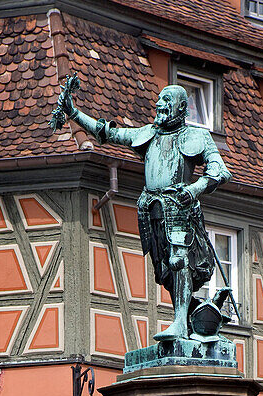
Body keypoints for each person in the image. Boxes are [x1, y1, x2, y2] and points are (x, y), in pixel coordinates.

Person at [64, 82, 231, 340]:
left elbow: (220, 171)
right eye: (159, 102)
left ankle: (179, 321)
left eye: (166, 101)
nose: (159, 105)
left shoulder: (197, 137)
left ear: (181, 107)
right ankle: (188, 317)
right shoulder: (148, 134)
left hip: (178, 206)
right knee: (164, 270)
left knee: (179, 261)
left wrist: (194, 189)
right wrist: (74, 114)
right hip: (151, 209)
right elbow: (108, 133)